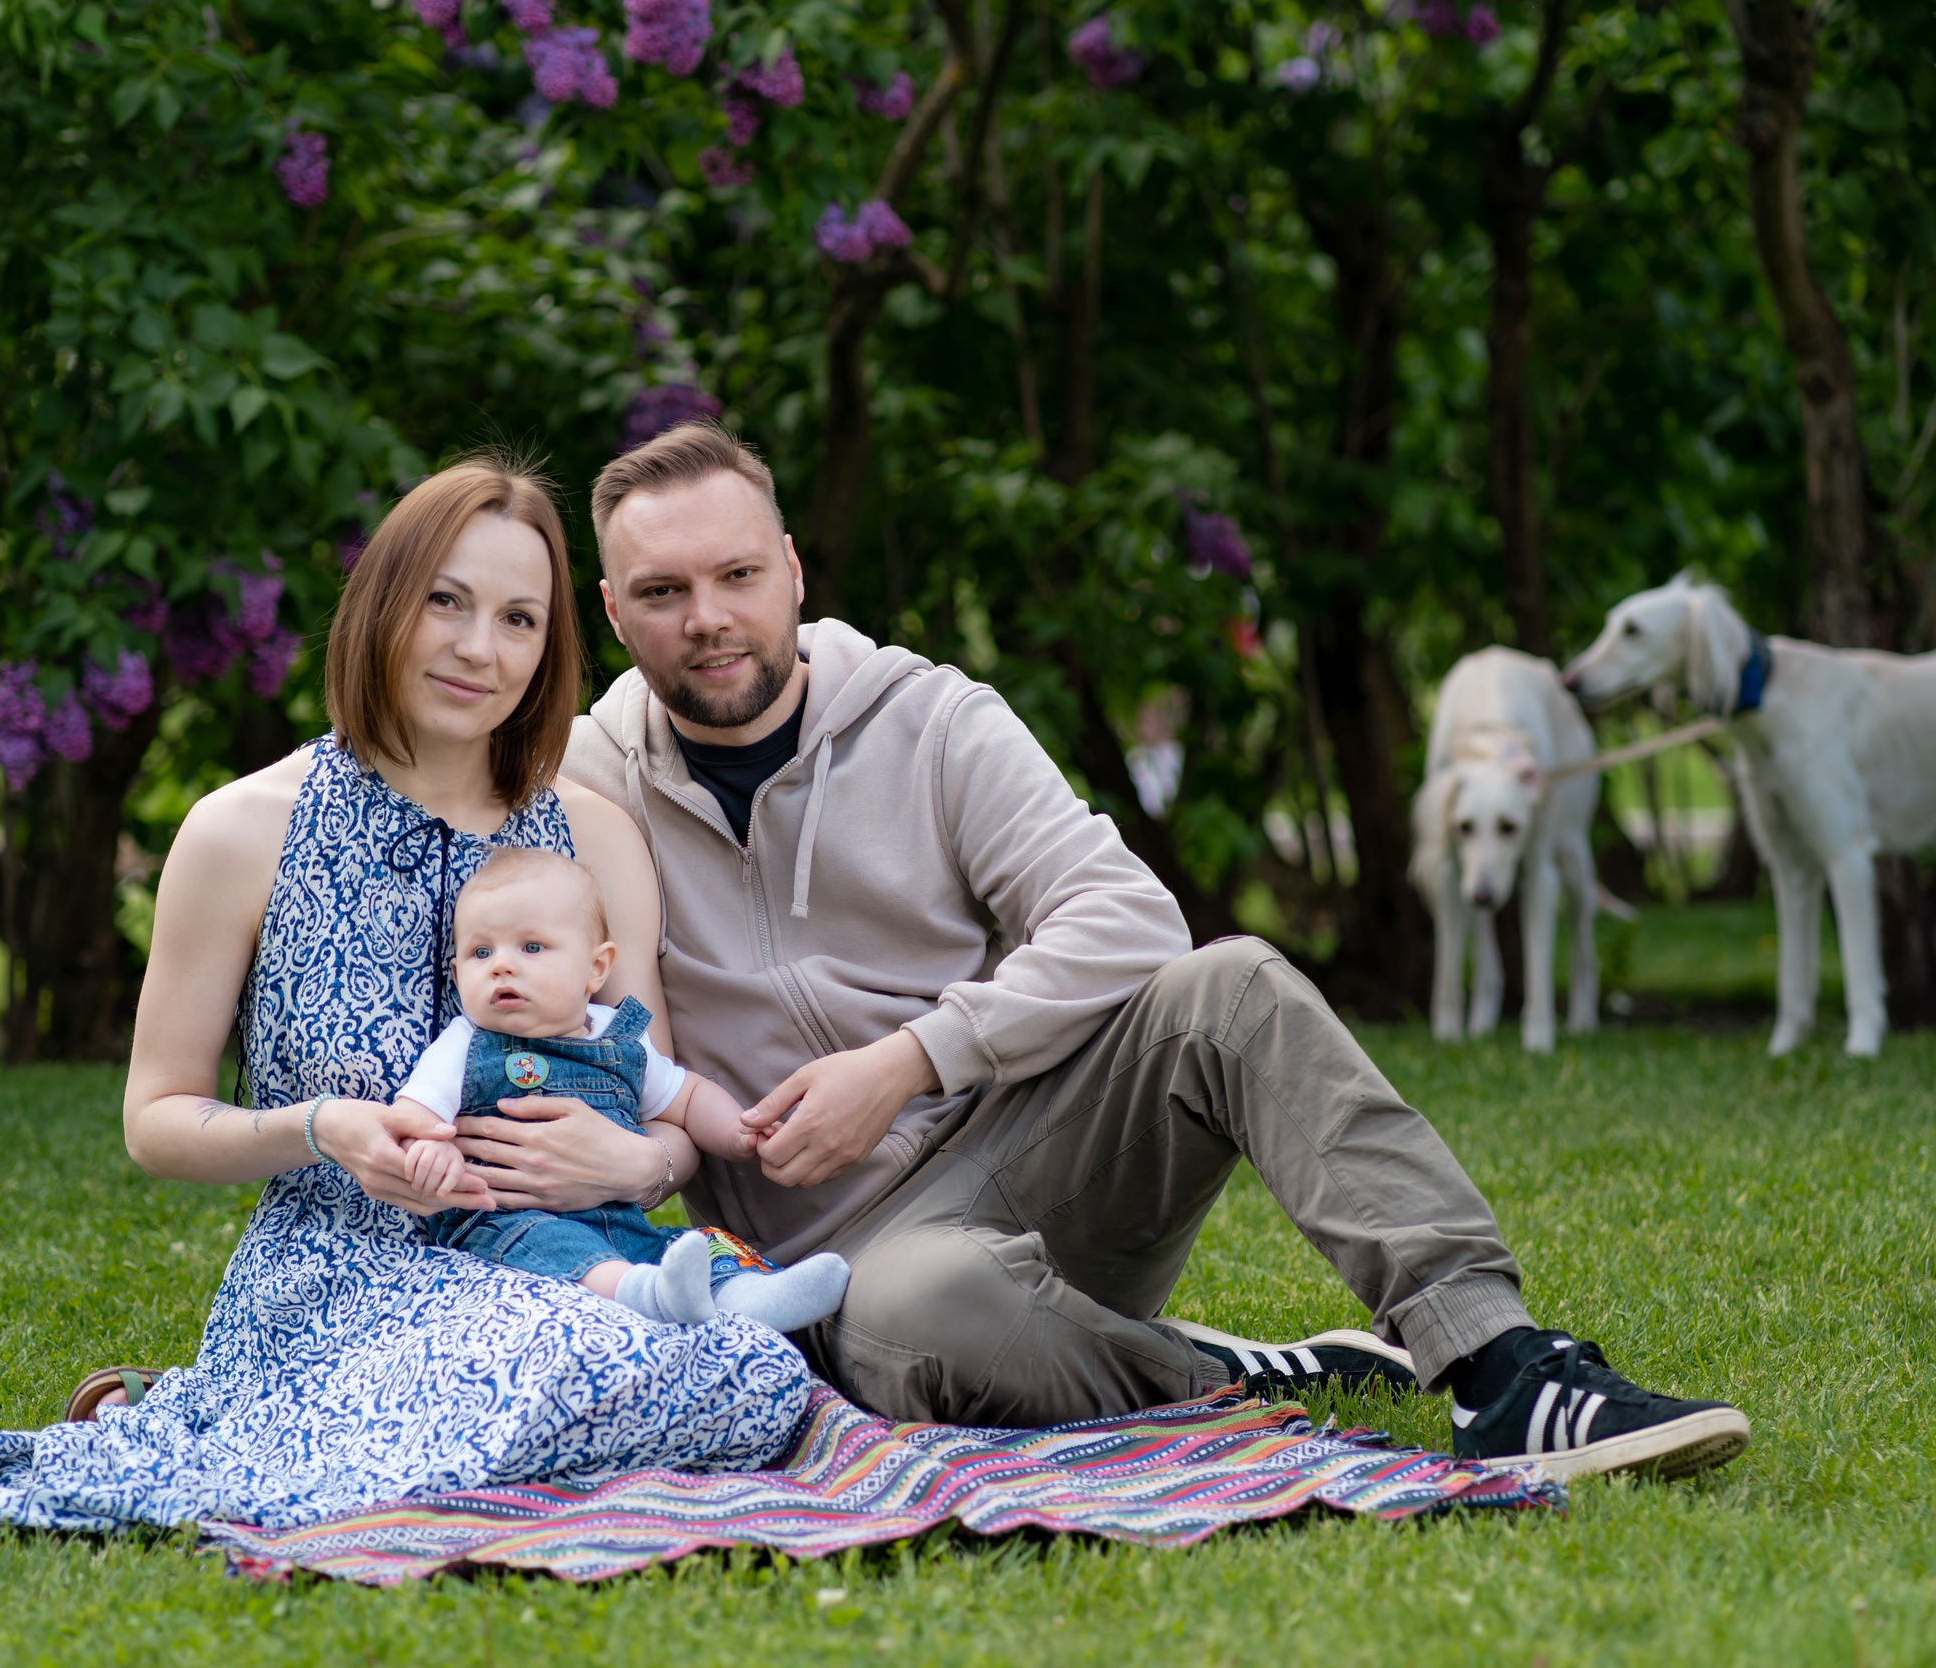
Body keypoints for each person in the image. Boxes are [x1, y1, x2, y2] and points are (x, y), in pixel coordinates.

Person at [560, 421, 1752, 1481]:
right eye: (662, 591)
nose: (707, 617)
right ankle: (1214, 1377)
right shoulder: (580, 787)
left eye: (738, 574)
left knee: (1227, 985)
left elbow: (1127, 918)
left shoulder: (927, 718)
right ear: (614, 614)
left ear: (794, 571)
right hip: (833, 1270)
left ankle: (1501, 1366)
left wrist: (913, 1060)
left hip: (1027, 1148)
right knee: (926, 1313)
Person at [0, 455, 811, 1542]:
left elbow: (662, 1099)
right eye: (447, 602)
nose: (481, 648)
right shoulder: (245, 831)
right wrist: (322, 1129)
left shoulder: (596, 834)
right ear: (384, 605)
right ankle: (272, 1417)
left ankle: (375, 1440)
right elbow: (158, 1122)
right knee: (579, 1368)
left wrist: (646, 1163)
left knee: (756, 1372)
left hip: (569, 1269)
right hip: (334, 1283)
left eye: (520, 619)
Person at [391, 843, 851, 1330]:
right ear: (459, 975)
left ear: (596, 968)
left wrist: (741, 1134)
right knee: (560, 1246)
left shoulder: (620, 1036)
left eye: (531, 947)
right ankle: (645, 1296)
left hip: (620, 1221)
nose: (501, 965)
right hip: (508, 1223)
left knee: (689, 1244)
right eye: (481, 952)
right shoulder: (466, 1042)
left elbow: (686, 1097)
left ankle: (750, 1296)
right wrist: (430, 1149)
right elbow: (415, 1112)